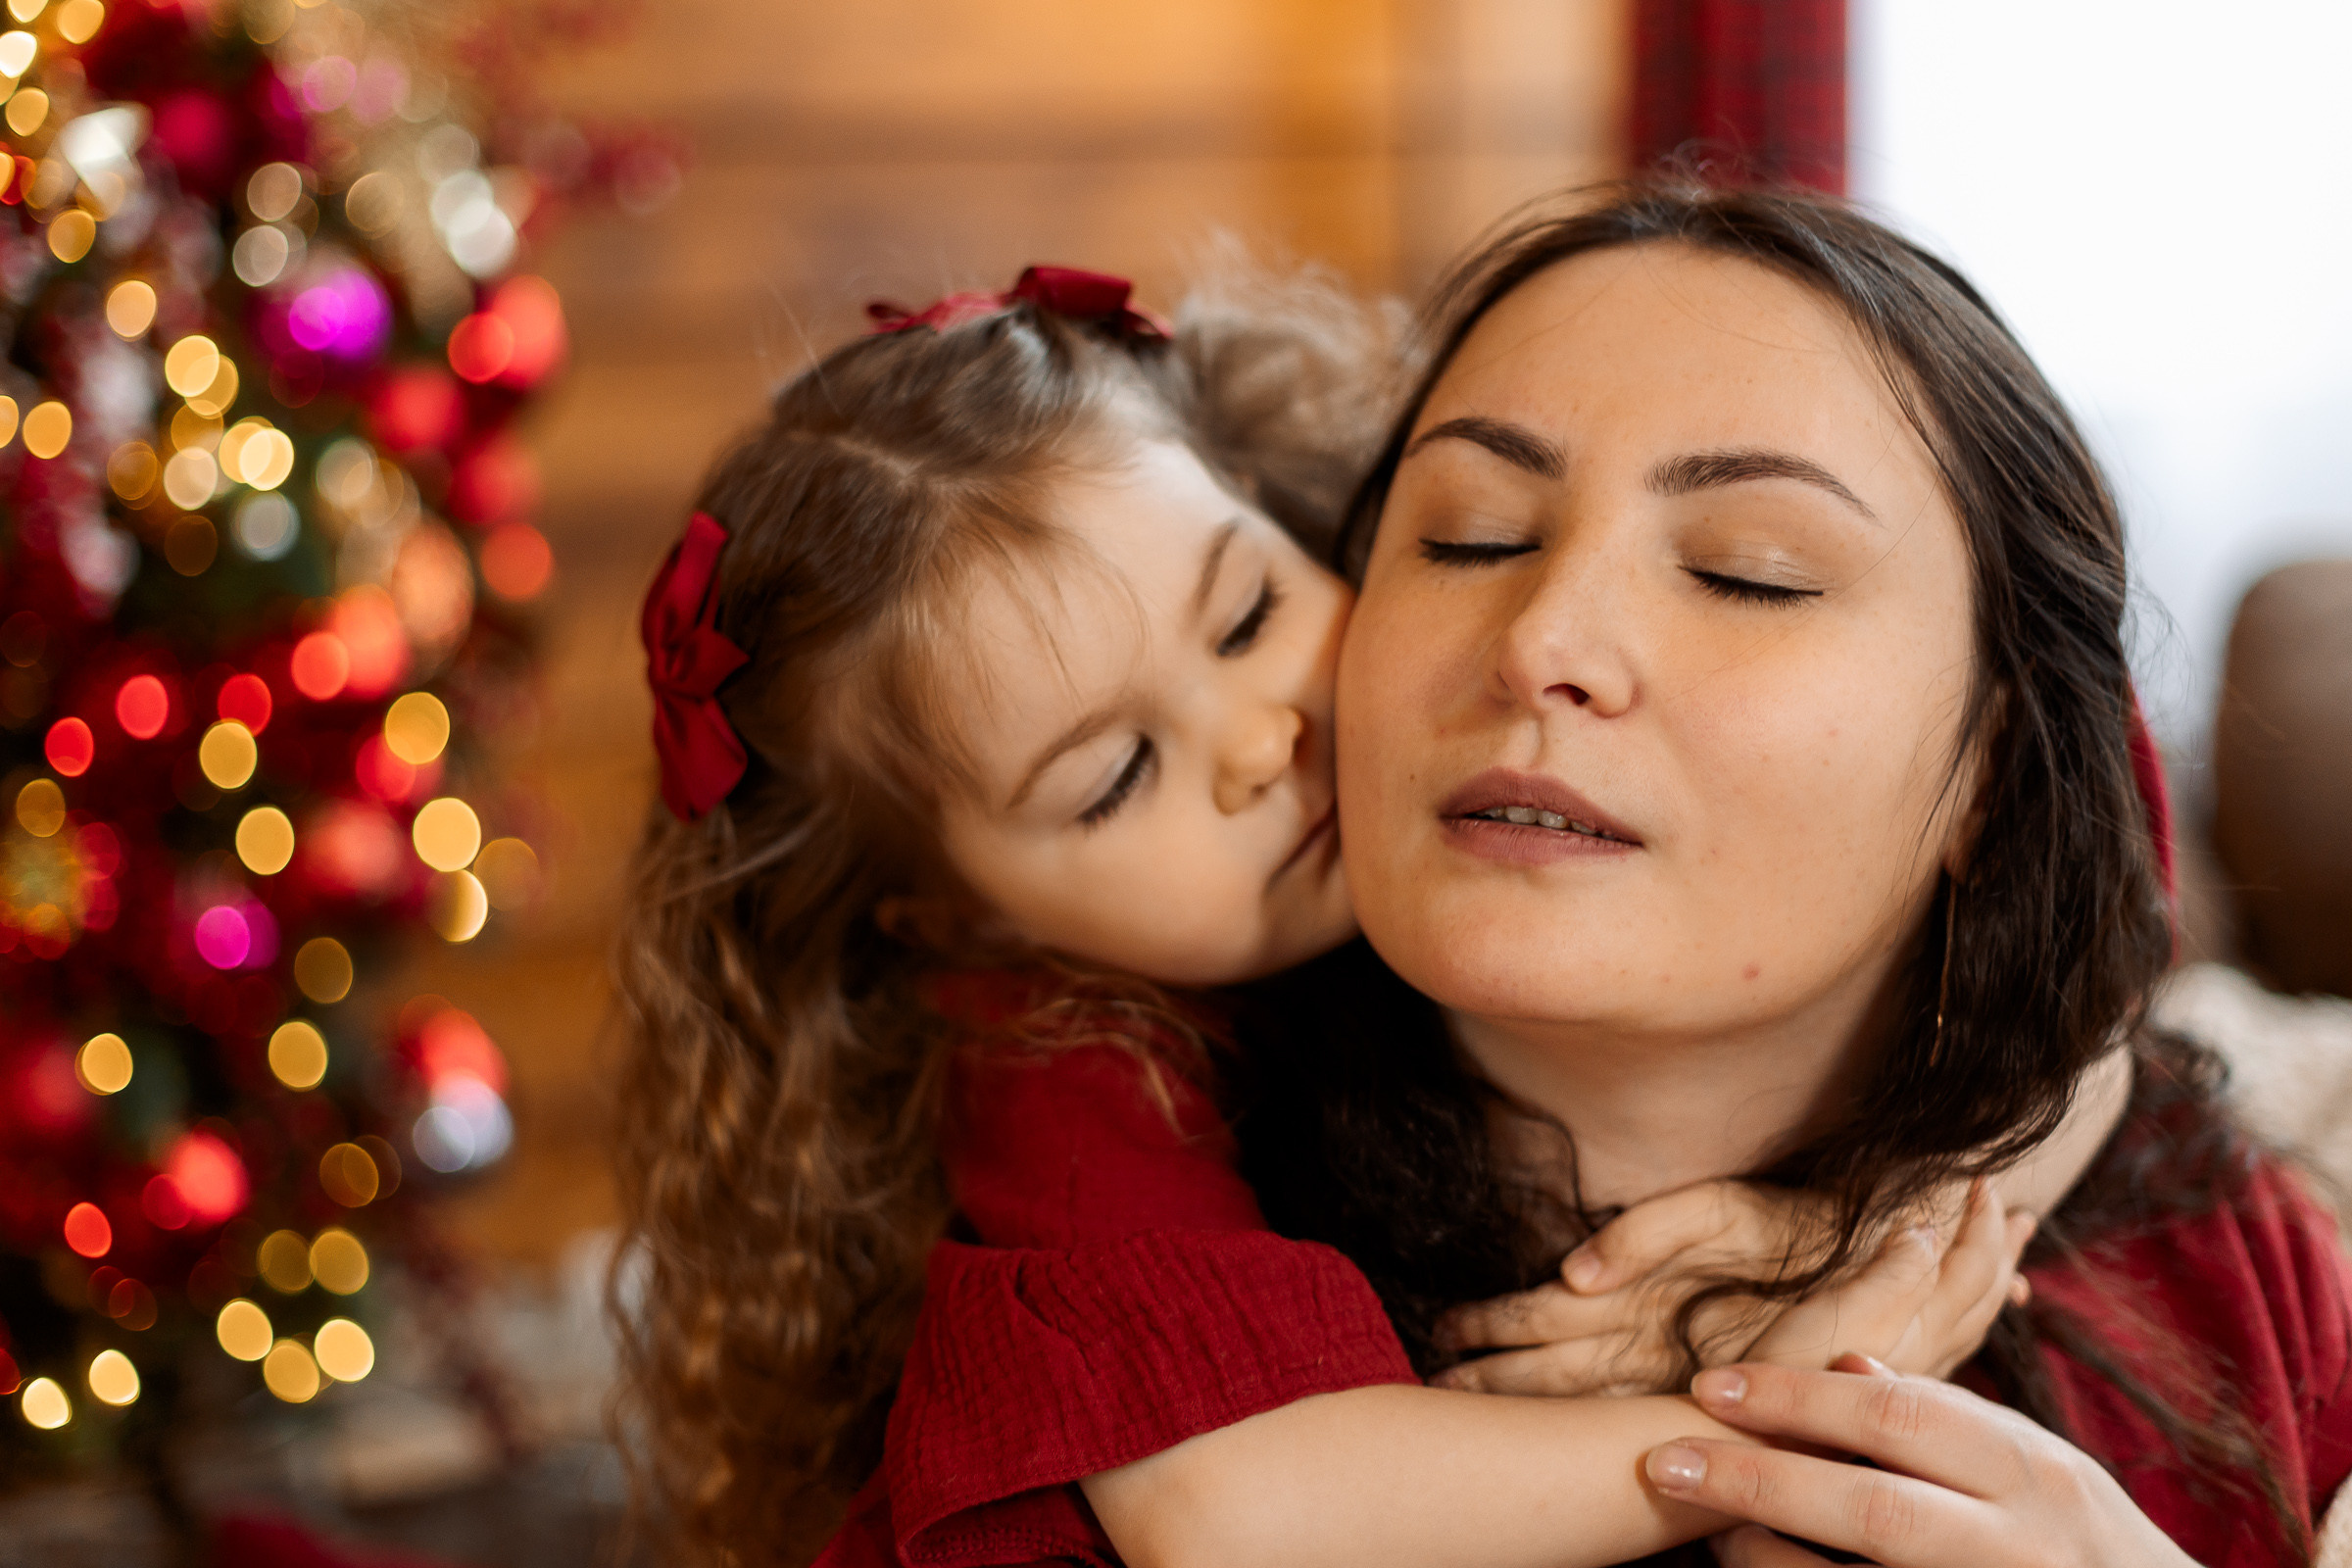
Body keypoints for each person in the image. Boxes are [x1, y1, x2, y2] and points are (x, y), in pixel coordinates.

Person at [611, 261, 2044, 1568]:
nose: (1260, 743)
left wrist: (1928, 1193)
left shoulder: (1455, 669)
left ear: (1277, 505)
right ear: (956, 922)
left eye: (1246, 618)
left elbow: (2089, 845)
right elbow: (1242, 1518)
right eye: (1115, 777)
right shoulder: (1059, 1062)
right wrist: (1772, 1424)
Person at [1218, 183, 2352, 1566]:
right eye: (1472, 535)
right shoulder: (1102, 1218)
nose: (1539, 640)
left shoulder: (2266, 1274)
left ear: (1995, 769)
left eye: (1750, 573)